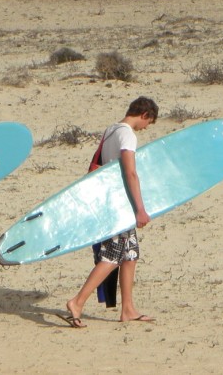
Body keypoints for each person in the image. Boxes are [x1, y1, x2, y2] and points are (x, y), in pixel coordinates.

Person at [60, 96, 159, 328]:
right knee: (112, 257)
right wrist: (140, 209)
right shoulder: (127, 134)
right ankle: (77, 301)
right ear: (144, 115)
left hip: (114, 203)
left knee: (130, 255)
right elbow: (130, 173)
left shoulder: (111, 130)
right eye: (149, 123)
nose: (146, 128)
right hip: (118, 204)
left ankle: (128, 309)